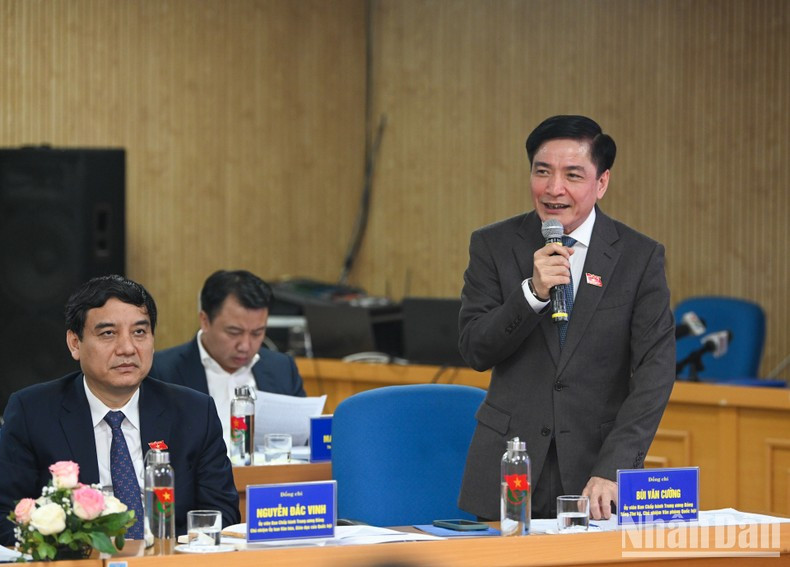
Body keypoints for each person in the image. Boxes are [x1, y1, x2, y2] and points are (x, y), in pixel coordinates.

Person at [457, 115, 675, 521]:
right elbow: (475, 349)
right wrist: (532, 294)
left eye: (573, 175)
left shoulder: (638, 257)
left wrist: (614, 468)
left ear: (602, 182)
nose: (554, 189)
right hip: (511, 466)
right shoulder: (493, 244)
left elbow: (655, 373)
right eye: (542, 172)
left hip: (596, 476)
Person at [0, 275, 240, 545]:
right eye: (108, 334)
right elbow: (6, 517)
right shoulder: (33, 412)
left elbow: (223, 515)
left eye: (139, 332)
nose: (127, 348)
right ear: (75, 344)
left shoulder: (195, 412)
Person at [150, 270, 306, 450]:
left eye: (257, 333)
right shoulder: (162, 372)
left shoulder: (282, 369)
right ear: (205, 321)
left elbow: (304, 442)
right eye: (234, 332)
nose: (245, 346)